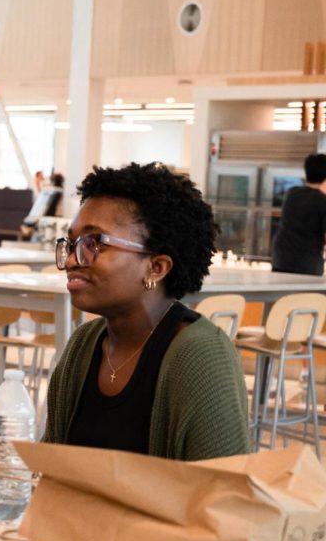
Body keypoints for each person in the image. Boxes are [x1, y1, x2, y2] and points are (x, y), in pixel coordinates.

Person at [44, 162, 249, 460]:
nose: (73, 260)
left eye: (93, 243)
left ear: (156, 267)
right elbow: (50, 465)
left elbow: (224, 494)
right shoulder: (83, 345)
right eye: (72, 243)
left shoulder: (202, 356)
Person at [271, 153, 326, 275]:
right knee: (309, 294)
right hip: (307, 264)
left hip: (281, 259)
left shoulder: (292, 194)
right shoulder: (322, 201)